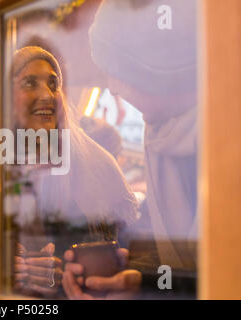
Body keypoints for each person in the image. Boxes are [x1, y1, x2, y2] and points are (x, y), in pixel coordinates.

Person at [63, 0, 198, 299]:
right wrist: (139, 272)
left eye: (116, 72)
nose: (112, 88)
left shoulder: (222, 137)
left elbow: (218, 267)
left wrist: (146, 281)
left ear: (149, 69)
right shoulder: (160, 133)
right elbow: (171, 252)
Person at [8, 46, 139, 297]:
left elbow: (134, 255)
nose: (46, 94)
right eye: (29, 83)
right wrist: (3, 269)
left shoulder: (99, 165)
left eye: (53, 83)